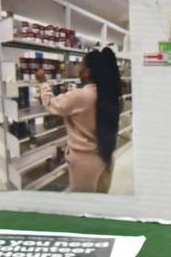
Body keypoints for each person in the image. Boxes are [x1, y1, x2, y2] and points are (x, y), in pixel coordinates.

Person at [38, 47, 122, 193]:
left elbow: (51, 105)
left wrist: (43, 83)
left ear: (88, 71)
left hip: (84, 163)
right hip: (106, 156)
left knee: (84, 204)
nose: (78, 68)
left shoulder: (79, 96)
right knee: (101, 200)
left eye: (81, 65)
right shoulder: (111, 95)